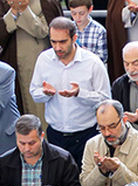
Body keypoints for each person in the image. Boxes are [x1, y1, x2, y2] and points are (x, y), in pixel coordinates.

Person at [29, 15, 111, 168]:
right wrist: (45, 93)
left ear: (75, 38)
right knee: (58, 183)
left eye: (62, 42)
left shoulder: (93, 62)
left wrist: (80, 93)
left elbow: (106, 99)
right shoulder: (44, 59)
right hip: (55, 134)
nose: (58, 47)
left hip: (86, 134)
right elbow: (34, 92)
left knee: (85, 184)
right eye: (53, 42)